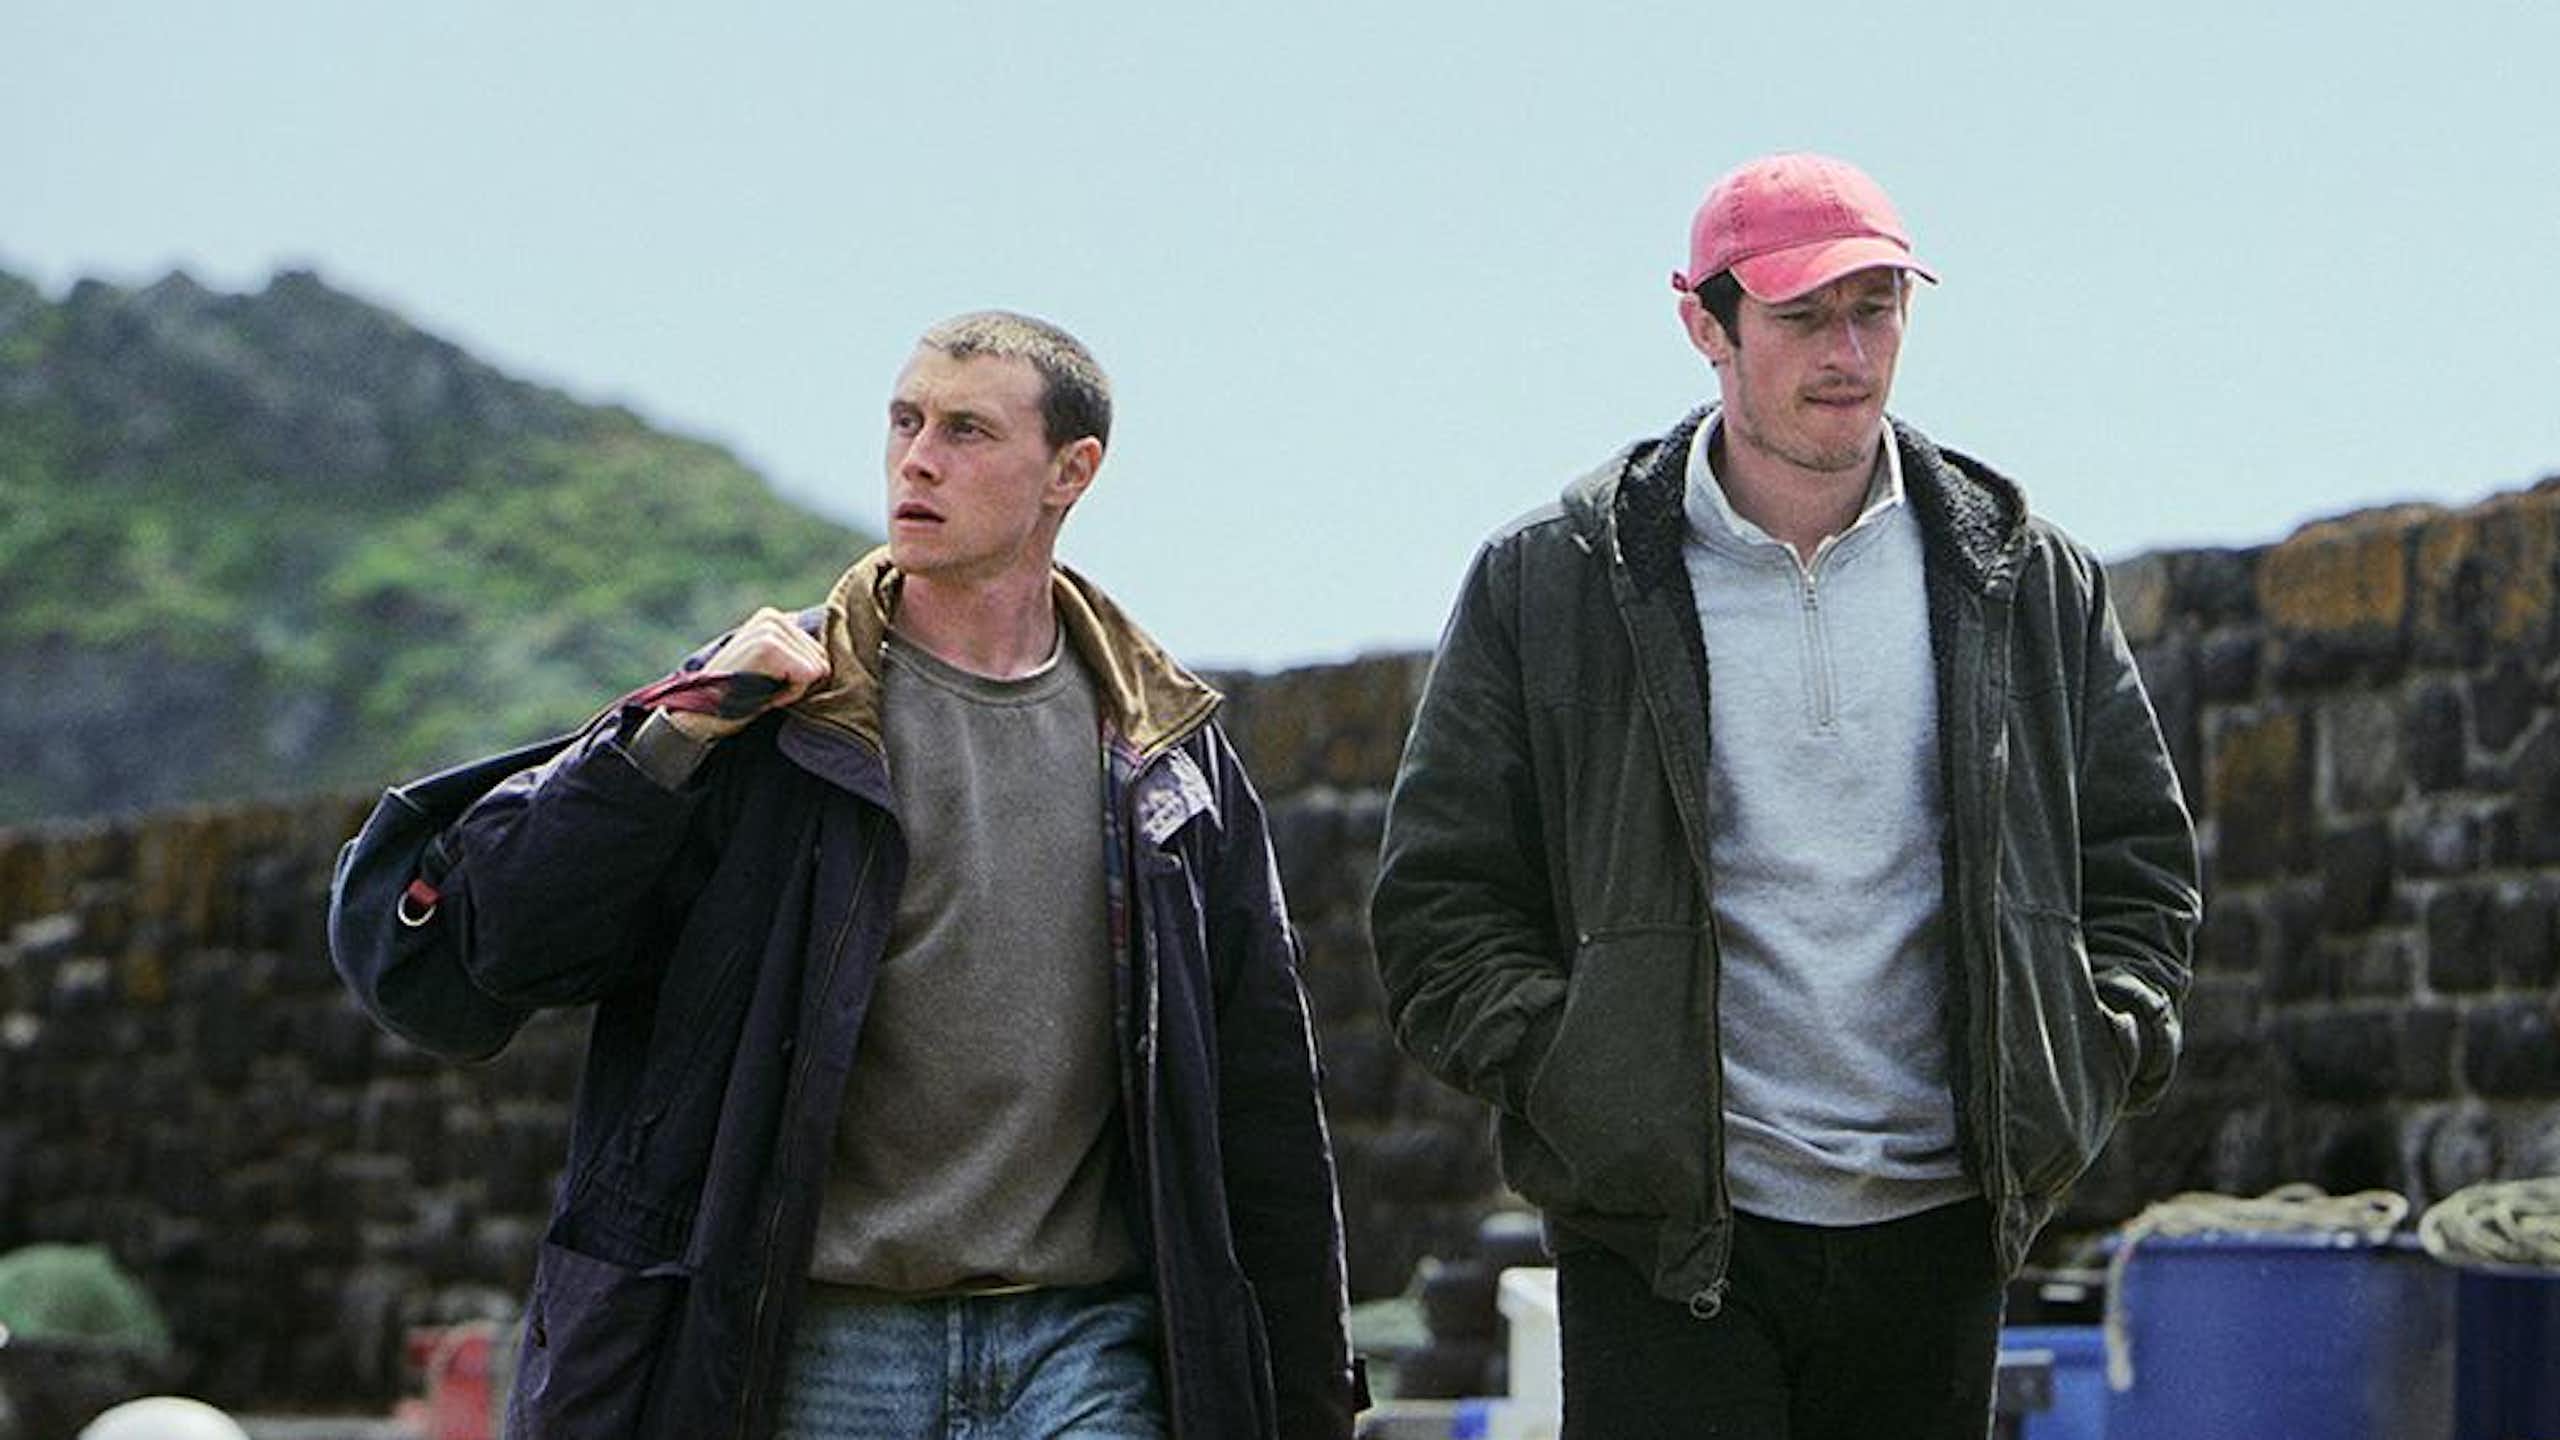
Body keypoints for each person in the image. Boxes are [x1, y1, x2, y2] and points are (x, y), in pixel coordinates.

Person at [376, 312, 1361, 1439]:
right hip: (819, 1341)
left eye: (968, 431)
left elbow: (1263, 1099)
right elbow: (505, 942)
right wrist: (678, 725)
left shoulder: (1166, 754)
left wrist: (1307, 1394)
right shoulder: (771, 710)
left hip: (1084, 1342)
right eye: (905, 421)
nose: (919, 457)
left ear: (1070, 472)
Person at [1369, 153, 2200, 1439]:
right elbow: (1439, 903)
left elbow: (2142, 863)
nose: (1847, 351)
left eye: (1876, 308)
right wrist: (1578, 1075)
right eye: (1803, 314)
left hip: (1940, 1227)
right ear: (1704, 322)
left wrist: (2098, 1045)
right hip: (1663, 1238)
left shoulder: (2019, 575)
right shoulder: (1557, 579)